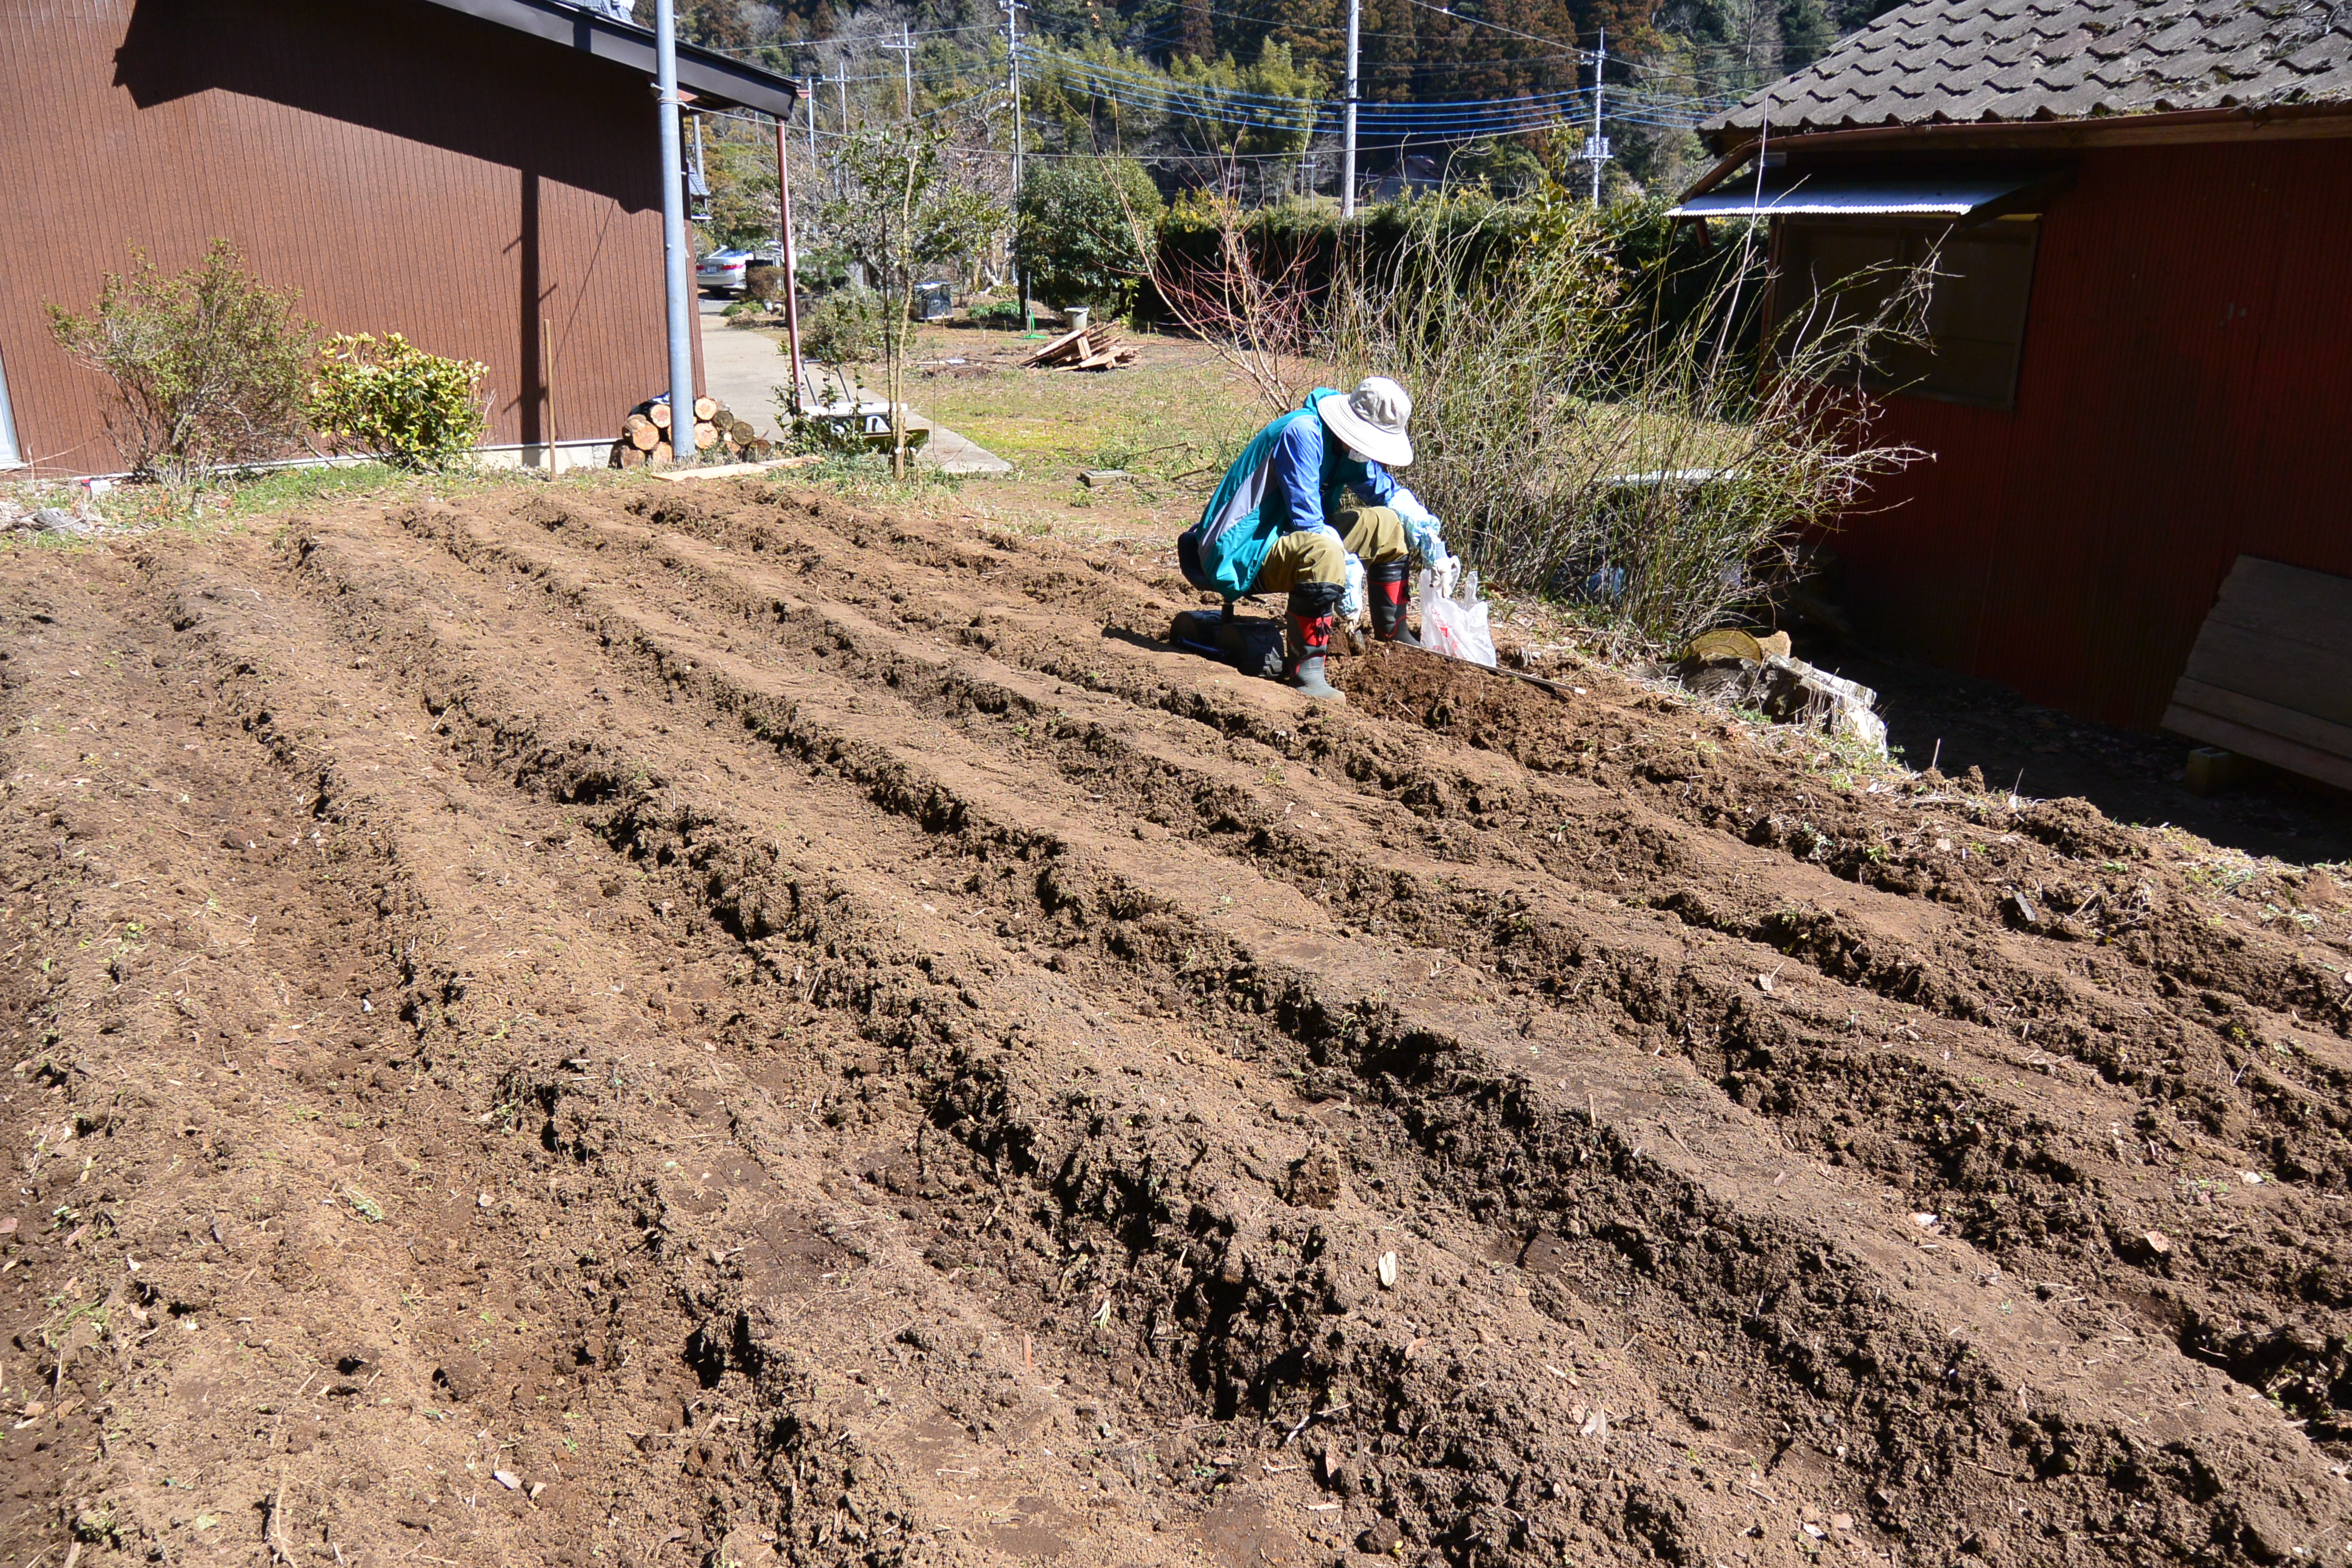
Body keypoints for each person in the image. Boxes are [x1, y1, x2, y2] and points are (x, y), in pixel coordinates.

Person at [1174, 377, 1453, 699]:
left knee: (1389, 525)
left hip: (1286, 535)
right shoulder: (1303, 434)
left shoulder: (1344, 448)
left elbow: (1387, 494)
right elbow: (1308, 523)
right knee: (1325, 553)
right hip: (1241, 547)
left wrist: (1430, 539)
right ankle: (1306, 673)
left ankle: (1395, 632)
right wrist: (1347, 567)